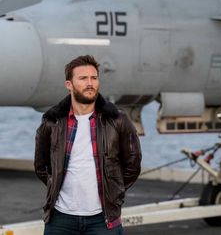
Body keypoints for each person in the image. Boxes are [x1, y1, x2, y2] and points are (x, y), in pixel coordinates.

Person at [34, 55, 142, 235]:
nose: (90, 83)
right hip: (60, 219)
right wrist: (55, 185)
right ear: (69, 84)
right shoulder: (52, 122)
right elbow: (41, 165)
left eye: (94, 77)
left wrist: (113, 192)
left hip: (103, 220)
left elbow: (133, 164)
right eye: (83, 78)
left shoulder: (117, 120)